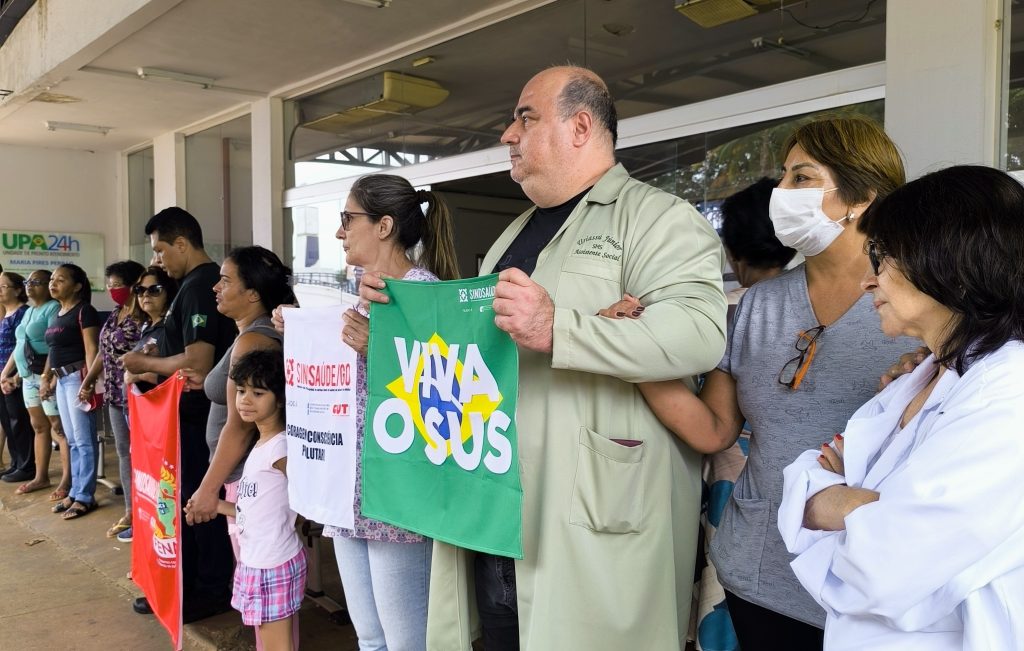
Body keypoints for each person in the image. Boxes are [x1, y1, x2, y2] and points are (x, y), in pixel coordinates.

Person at [359, 66, 727, 650]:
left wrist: (561, 329)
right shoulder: (513, 235)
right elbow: (476, 349)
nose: (508, 134)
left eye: (525, 117)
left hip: (591, 512)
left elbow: (699, 333)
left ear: (581, 126)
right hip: (497, 513)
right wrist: (400, 311)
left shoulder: (657, 218)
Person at [597, 117, 912, 649]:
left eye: (801, 178)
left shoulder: (916, 304)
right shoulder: (759, 306)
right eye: (783, 176)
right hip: (757, 575)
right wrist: (634, 351)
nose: (780, 193)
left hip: (864, 588)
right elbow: (714, 429)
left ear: (862, 196)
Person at [778, 164, 1024, 650]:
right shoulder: (921, 376)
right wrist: (866, 508)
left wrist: (843, 499)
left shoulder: (1009, 392)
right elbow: (802, 484)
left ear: (949, 262)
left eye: (883, 258)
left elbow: (882, 566)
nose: (868, 282)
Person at [121, 207, 237, 622]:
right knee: (182, 500)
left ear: (183, 244)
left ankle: (209, 589)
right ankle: (188, 581)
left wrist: (145, 363)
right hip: (184, 415)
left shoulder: (200, 285)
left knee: (199, 503)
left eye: (160, 251)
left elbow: (199, 363)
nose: (157, 261)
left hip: (202, 417)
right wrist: (157, 355)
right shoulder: (188, 286)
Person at [182, 245, 294, 651]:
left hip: (246, 478)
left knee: (268, 595)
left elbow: (238, 428)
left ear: (252, 294)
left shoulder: (254, 340)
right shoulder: (250, 334)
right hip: (244, 483)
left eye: (226, 280)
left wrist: (207, 489)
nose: (215, 286)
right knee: (263, 596)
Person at [216, 349, 305, 651]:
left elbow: (305, 487)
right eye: (241, 391)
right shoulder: (261, 444)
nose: (245, 399)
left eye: (258, 392)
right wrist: (217, 506)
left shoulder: (279, 447)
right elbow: (251, 511)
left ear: (279, 399)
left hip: (273, 562)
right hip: (257, 561)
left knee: (277, 647)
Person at [81, 261, 146, 539]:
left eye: (117, 285)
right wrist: (87, 381)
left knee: (142, 455)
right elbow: (102, 353)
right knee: (123, 452)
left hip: (139, 395)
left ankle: (146, 513)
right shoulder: (117, 313)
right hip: (114, 395)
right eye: (109, 285)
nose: (112, 290)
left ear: (134, 285)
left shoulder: (144, 317)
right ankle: (131, 510)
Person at [0, 270, 69, 498]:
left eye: (37, 282)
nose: (30, 286)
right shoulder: (30, 311)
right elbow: (20, 345)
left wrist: (48, 377)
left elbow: (53, 346)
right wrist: (7, 373)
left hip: (43, 376)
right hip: (28, 378)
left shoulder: (52, 308)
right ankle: (41, 476)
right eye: (28, 282)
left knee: (58, 429)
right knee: (39, 427)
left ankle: (67, 481)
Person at [41, 264, 101, 520]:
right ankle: (75, 491)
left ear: (77, 286)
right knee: (73, 440)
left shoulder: (84, 311)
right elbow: (54, 352)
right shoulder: (57, 312)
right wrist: (49, 378)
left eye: (61, 280)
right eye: (52, 279)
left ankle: (86, 496)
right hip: (62, 381)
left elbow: (91, 349)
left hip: (78, 379)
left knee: (84, 440)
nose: (53, 283)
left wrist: (88, 383)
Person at [0, 271, 35, 483]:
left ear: (18, 290)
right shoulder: (5, 312)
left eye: (4, 286)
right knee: (7, 420)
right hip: (2, 375)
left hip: (15, 374)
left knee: (19, 420)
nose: (0, 290)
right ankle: (15, 462)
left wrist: (11, 375)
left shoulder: (23, 313)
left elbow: (21, 346)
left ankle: (27, 466)